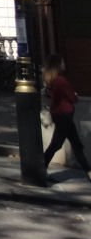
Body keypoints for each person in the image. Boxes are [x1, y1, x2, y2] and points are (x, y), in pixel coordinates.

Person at [42, 54, 91, 183]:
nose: (64, 64)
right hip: (64, 116)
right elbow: (73, 99)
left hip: (61, 115)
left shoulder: (52, 81)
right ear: (57, 65)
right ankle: (40, 168)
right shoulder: (61, 81)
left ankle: (89, 172)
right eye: (62, 62)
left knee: (75, 144)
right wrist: (74, 94)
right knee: (57, 144)